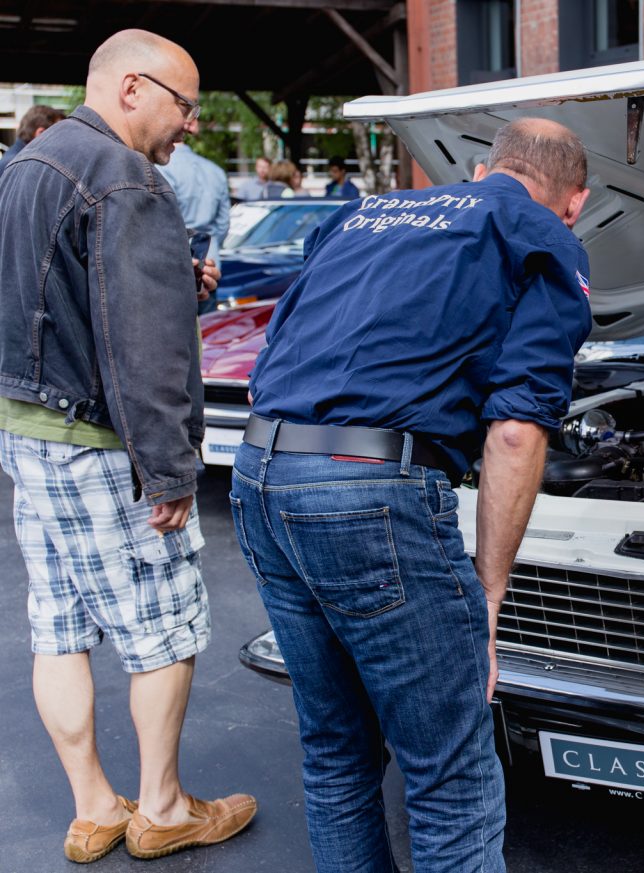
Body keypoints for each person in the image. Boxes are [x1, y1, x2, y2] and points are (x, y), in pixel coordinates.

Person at [229, 117, 591, 872]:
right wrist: (484, 604)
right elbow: (518, 432)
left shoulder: (364, 212)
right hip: (369, 493)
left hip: (261, 471)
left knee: (336, 752)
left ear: (486, 164)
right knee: (448, 777)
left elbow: (291, 337)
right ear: (575, 201)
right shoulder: (536, 231)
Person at [0, 28, 256, 864]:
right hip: (104, 440)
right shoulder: (126, 177)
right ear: (135, 88)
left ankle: (94, 807)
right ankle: (163, 806)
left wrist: (173, 278)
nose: (190, 125)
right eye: (186, 105)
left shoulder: (26, 165)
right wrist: (171, 468)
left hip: (28, 433)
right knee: (165, 626)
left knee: (59, 625)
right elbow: (143, 345)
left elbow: (58, 293)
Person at [157, 141, 231, 313]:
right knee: (207, 332)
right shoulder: (216, 171)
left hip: (174, 267)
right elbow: (223, 224)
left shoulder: (162, 168)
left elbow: (162, 221)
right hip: (208, 265)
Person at [0, 104, 65, 172]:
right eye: (59, 135)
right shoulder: (21, 165)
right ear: (41, 133)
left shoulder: (15, 160)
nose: (62, 142)